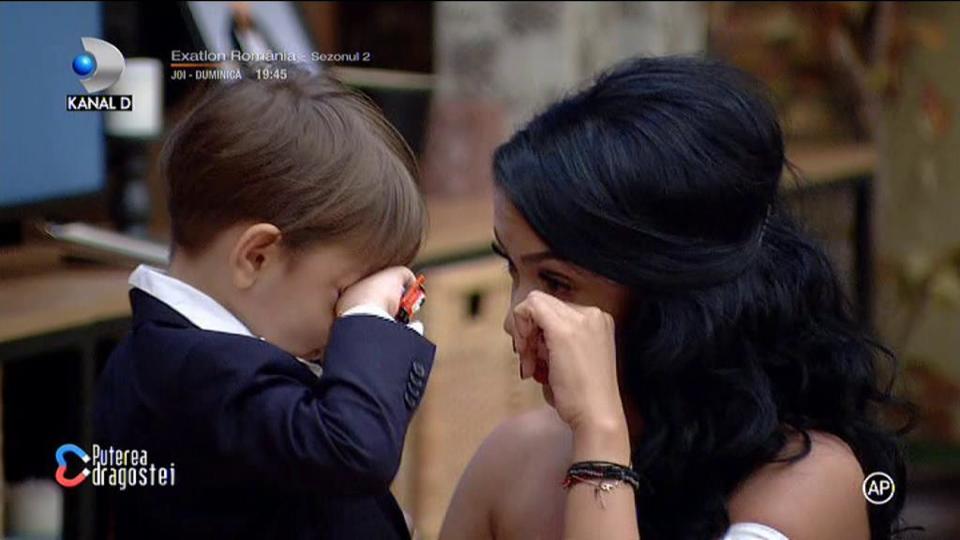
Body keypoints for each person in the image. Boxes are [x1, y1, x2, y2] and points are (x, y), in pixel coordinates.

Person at [440, 56, 910, 540]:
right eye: (513, 270)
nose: (518, 317)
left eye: (557, 283)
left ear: (671, 290)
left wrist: (601, 440)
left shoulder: (810, 483)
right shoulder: (514, 460)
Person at [94, 69, 435, 539]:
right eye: (343, 294)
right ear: (256, 257)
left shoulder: (186, 356)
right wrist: (368, 320)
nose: (344, 324)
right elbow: (354, 450)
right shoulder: (192, 373)